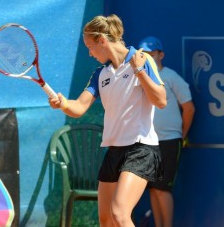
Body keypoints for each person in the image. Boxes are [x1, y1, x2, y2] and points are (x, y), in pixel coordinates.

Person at [49, 14, 167, 227]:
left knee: (120, 213)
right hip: (114, 151)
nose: (90, 53)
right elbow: (80, 107)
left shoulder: (142, 60)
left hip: (141, 149)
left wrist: (139, 70)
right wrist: (63, 103)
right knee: (106, 219)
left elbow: (161, 101)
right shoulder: (100, 74)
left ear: (102, 40)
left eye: (90, 46)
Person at [138, 36, 195, 227]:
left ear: (161, 55)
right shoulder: (140, 79)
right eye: (143, 55)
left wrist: (182, 136)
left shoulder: (171, 77)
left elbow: (189, 108)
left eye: (151, 54)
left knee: (162, 189)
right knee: (153, 189)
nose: (147, 58)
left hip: (169, 141)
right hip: (147, 143)